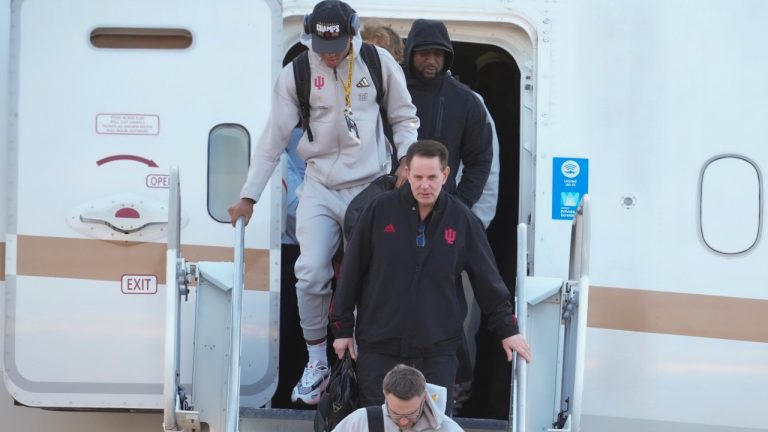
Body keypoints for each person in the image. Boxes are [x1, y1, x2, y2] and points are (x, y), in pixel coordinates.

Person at [228, 0, 419, 405]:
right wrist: (249, 194)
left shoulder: (379, 61)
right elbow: (272, 140)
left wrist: (406, 162)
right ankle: (316, 362)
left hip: (371, 184)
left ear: (353, 32)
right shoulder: (296, 73)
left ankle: (367, 360)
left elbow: (405, 118)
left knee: (371, 279)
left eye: (337, 45)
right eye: (320, 45)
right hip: (320, 185)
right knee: (311, 273)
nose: (329, 53)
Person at [330, 140, 532, 414]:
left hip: (437, 350)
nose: (425, 185)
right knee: (379, 422)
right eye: (418, 177)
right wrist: (342, 329)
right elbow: (351, 272)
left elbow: (487, 279)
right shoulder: (378, 211)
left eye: (432, 177)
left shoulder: (462, 220)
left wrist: (508, 330)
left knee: (433, 423)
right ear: (406, 173)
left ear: (446, 175)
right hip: (379, 344)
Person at [403, 19, 493, 210]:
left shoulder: (465, 100)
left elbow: (480, 161)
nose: (431, 60)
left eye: (438, 54)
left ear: (447, 57)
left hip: (442, 208)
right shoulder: (391, 89)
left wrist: (459, 205)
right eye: (424, 53)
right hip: (392, 206)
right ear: (410, 53)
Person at [331, 364, 464, 432]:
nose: (404, 421)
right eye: (395, 413)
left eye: (411, 413)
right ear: (385, 396)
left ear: (424, 398)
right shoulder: (360, 421)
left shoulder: (449, 429)